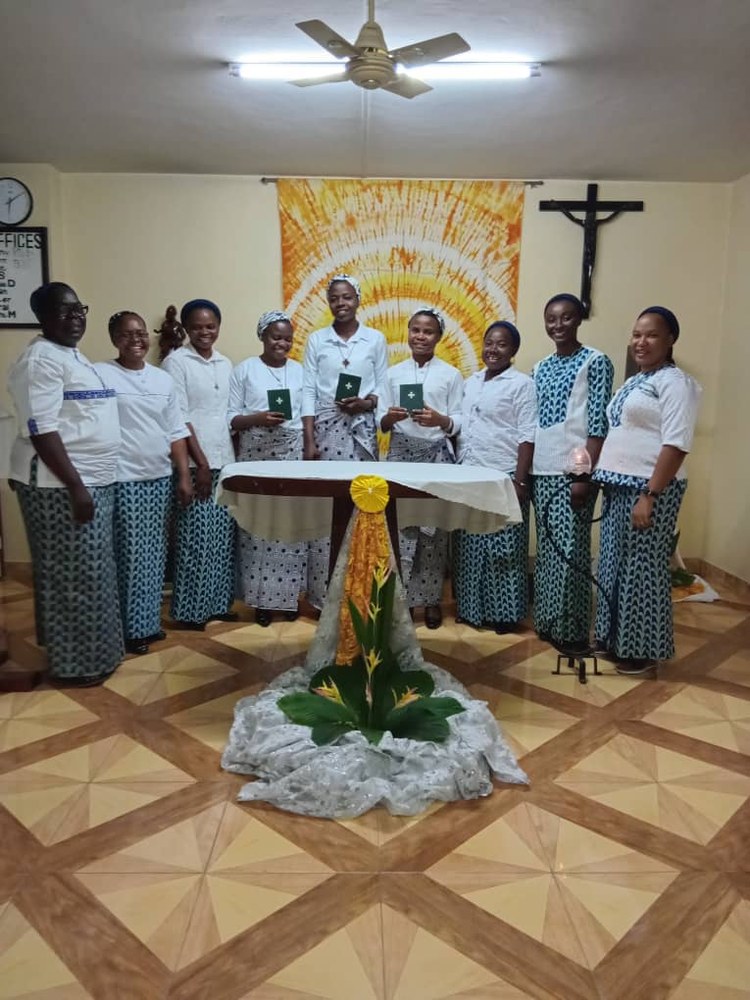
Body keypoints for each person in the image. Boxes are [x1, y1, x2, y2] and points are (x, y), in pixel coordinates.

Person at [7, 282, 124, 684]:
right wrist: (76, 487)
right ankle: (78, 666)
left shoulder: (71, 355)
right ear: (42, 317)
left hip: (89, 479)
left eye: (79, 309)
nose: (75, 317)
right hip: (61, 484)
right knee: (75, 576)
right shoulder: (39, 361)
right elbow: (41, 430)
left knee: (91, 572)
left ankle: (94, 654)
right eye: (64, 310)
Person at [593, 307, 701, 673]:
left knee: (641, 570)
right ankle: (613, 639)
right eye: (637, 334)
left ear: (671, 340)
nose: (641, 342)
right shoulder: (638, 380)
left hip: (650, 488)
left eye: (652, 335)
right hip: (619, 487)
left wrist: (650, 495)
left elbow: (677, 443)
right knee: (613, 564)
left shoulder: (675, 382)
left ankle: (640, 650)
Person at [95, 311, 192, 655]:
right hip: (123, 478)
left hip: (159, 476)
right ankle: (130, 630)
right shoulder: (101, 373)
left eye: (140, 333)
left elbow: (176, 430)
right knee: (130, 555)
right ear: (114, 339)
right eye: (126, 334)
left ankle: (147, 623)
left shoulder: (161, 379)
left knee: (154, 555)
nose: (135, 339)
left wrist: (183, 475)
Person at [531, 293, 614, 650]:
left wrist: (583, 475)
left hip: (573, 470)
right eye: (551, 319)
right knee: (548, 550)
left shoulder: (595, 361)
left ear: (578, 319)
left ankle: (573, 631)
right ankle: (548, 623)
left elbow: (597, 423)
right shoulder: (540, 367)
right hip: (541, 468)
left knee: (572, 550)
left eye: (566, 317)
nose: (558, 325)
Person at [301, 274, 388, 608]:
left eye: (347, 297)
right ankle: (324, 596)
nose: (341, 303)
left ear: (358, 299)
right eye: (335, 298)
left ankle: (361, 591)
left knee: (363, 505)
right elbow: (308, 391)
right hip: (326, 429)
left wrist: (366, 403)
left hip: (362, 430)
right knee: (327, 509)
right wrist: (309, 441)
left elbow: (383, 387)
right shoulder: (317, 340)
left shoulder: (375, 339)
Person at [379, 308, 463, 628]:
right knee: (401, 529)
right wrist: (391, 417)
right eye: (415, 330)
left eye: (428, 331)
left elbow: (459, 420)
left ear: (438, 336)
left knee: (433, 531)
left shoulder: (451, 375)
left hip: (436, 457)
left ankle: (430, 601)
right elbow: (381, 422)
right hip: (401, 454)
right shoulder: (393, 374)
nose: (420, 336)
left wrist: (440, 420)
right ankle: (400, 602)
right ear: (408, 333)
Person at [453, 321, 537, 632]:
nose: (493, 349)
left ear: (513, 350)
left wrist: (521, 480)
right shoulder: (471, 382)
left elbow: (527, 434)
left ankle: (504, 615)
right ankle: (471, 610)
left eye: (502, 344)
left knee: (503, 548)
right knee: (470, 546)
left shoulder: (522, 384)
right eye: (489, 342)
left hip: (504, 474)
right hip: (470, 472)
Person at [228, 311, 308, 627]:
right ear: (262, 336)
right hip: (255, 455)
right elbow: (232, 418)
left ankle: (287, 599)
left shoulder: (300, 371)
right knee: (258, 527)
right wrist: (258, 418)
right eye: (276, 337)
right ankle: (261, 601)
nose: (282, 343)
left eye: (287, 338)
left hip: (291, 453)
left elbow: (306, 413)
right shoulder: (245, 370)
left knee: (288, 526)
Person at [161, 298, 237, 629]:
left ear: (218, 327)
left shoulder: (225, 363)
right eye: (196, 327)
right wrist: (201, 464)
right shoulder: (176, 363)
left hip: (225, 460)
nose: (204, 332)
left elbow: (229, 414)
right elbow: (178, 417)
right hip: (194, 463)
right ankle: (191, 612)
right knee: (195, 538)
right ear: (186, 329)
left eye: (210, 326)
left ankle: (217, 605)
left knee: (220, 538)